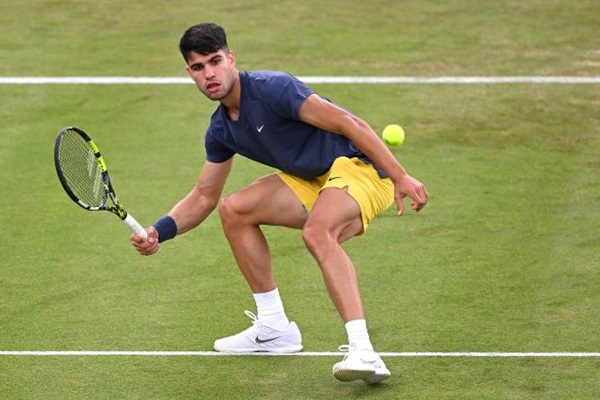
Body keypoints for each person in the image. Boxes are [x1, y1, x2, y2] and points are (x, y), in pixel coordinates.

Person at [131, 22, 428, 384]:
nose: (209, 74)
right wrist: (158, 232)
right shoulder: (222, 129)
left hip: (360, 168)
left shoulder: (274, 89)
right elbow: (204, 196)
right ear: (189, 73)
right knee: (234, 209)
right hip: (311, 179)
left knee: (318, 233)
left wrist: (399, 175)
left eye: (215, 61)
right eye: (198, 67)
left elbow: (350, 123)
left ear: (231, 58)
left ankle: (364, 351)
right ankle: (274, 328)